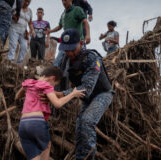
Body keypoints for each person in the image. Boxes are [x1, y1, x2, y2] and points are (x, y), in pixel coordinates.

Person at [55, 29, 113, 160]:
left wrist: (61, 94)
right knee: (79, 124)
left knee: (87, 121)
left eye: (72, 49)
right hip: (87, 97)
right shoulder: (66, 59)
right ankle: (80, 156)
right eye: (66, 49)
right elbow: (58, 75)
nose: (69, 52)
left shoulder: (92, 57)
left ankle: (88, 157)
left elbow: (86, 89)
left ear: (81, 43)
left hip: (102, 94)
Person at [15, 66, 85, 160]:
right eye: (55, 84)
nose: (53, 87)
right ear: (52, 78)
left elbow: (17, 96)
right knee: (47, 146)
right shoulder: (47, 86)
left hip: (23, 124)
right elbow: (57, 104)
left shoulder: (29, 83)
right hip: (36, 123)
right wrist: (73, 94)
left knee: (33, 154)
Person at [47, 0, 90, 67]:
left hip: (78, 43)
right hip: (66, 44)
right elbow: (59, 26)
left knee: (82, 64)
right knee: (58, 63)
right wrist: (50, 31)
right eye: (62, 0)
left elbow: (85, 22)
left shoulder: (77, 10)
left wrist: (88, 35)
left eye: (66, 0)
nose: (64, 2)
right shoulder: (63, 14)